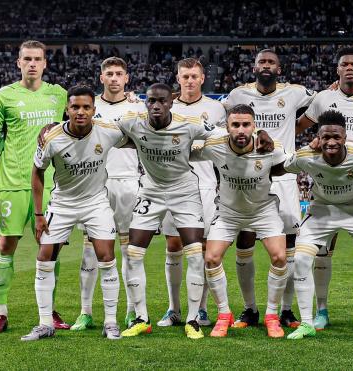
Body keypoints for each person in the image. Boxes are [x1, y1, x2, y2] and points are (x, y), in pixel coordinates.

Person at [117, 83, 272, 339]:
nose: (156, 106)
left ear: (171, 102)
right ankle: (142, 317)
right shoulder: (132, 122)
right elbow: (97, 126)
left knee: (194, 253)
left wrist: (260, 133)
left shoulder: (188, 123)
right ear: (146, 103)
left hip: (184, 191)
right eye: (151, 101)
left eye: (161, 101)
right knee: (133, 253)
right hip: (151, 191)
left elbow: (225, 133)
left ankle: (193, 319)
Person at [0, 40, 69, 334]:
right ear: (18, 63)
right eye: (26, 58)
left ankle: (49, 312)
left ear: (45, 63)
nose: (32, 63)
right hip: (13, 181)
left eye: (37, 59)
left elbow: (81, 121)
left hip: (51, 184)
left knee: (49, 248)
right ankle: (0, 312)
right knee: (6, 244)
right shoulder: (3, 96)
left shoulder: (59, 95)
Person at [296, 47, 353, 330]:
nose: (349, 67)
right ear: (337, 70)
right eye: (344, 64)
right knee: (322, 250)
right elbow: (298, 127)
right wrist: (308, 148)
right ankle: (321, 310)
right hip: (326, 181)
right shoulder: (324, 98)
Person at [23, 85, 125, 341]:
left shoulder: (109, 131)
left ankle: (111, 322)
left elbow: (137, 137)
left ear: (94, 109)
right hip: (63, 203)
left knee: (106, 256)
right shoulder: (51, 138)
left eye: (86, 107)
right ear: (66, 110)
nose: (80, 112)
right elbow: (37, 172)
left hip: (95, 202)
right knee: (45, 256)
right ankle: (45, 323)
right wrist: (38, 214)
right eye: (75, 107)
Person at [285, 110, 353, 341]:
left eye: (337, 137)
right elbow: (283, 166)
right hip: (322, 210)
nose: (331, 142)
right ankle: (309, 321)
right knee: (301, 259)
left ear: (345, 137)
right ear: (318, 137)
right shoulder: (307, 155)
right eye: (326, 137)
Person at [223, 49, 316, 328]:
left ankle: (285, 310)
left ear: (279, 68)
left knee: (288, 245)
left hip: (284, 176)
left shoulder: (296, 92)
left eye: (271, 62)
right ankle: (250, 309)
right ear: (254, 67)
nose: (266, 65)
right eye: (261, 61)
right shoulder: (238, 95)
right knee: (245, 241)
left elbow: (327, 98)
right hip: (249, 177)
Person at [192, 104, 288, 338]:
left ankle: (272, 316)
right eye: (235, 125)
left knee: (280, 256)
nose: (241, 130)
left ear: (255, 126)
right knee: (211, 258)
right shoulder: (214, 146)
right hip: (228, 212)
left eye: (246, 124)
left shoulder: (270, 148)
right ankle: (224, 315)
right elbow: (186, 147)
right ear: (227, 127)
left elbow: (285, 166)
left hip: (263, 210)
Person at [70, 57, 147, 332]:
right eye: (109, 74)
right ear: (101, 77)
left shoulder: (139, 107)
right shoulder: (90, 106)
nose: (114, 78)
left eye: (119, 74)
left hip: (128, 183)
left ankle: (129, 312)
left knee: (129, 252)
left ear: (126, 78)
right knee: (90, 252)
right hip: (95, 185)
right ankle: (86, 312)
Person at [158, 58, 226, 328]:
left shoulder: (217, 108)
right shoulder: (166, 105)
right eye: (184, 76)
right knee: (173, 246)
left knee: (204, 249)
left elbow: (223, 139)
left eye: (194, 76)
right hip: (172, 184)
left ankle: (201, 310)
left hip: (205, 185)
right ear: (178, 78)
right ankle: (173, 309)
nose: (189, 81)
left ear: (201, 79)